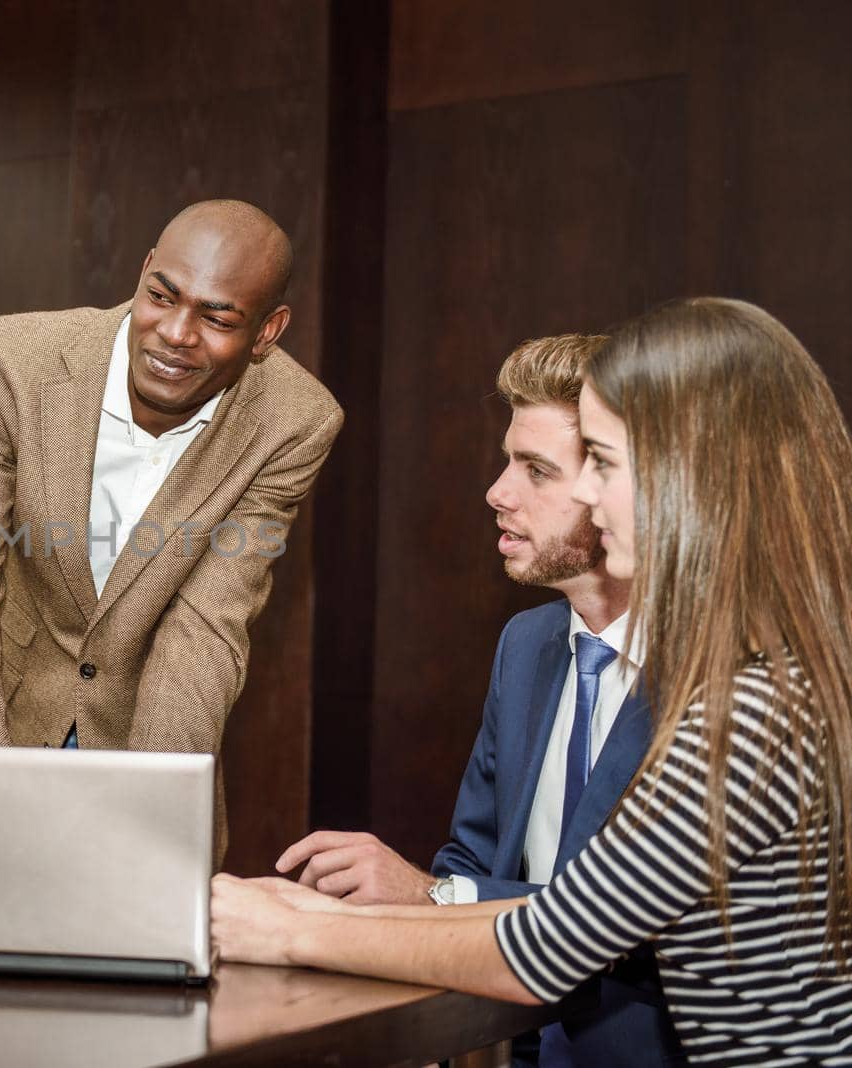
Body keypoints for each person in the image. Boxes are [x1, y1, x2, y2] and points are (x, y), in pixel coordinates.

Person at [212, 298, 852, 1065]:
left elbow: (546, 949)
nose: (586, 494)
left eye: (606, 465)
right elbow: (567, 915)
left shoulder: (754, 708)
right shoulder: (767, 677)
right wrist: (297, 906)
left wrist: (289, 930)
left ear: (697, 478)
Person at [273, 335, 678, 1065]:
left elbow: (630, 928)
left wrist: (427, 900)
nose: (498, 491)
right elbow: (469, 859)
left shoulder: (721, 676)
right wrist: (418, 890)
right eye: (507, 461)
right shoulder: (526, 648)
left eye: (536, 470)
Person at [0, 199, 343, 860]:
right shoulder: (12, 360)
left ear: (266, 332)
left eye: (217, 318)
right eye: (161, 296)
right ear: (142, 274)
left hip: (148, 752)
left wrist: (143, 824)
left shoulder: (294, 421)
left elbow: (206, 628)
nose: (175, 332)